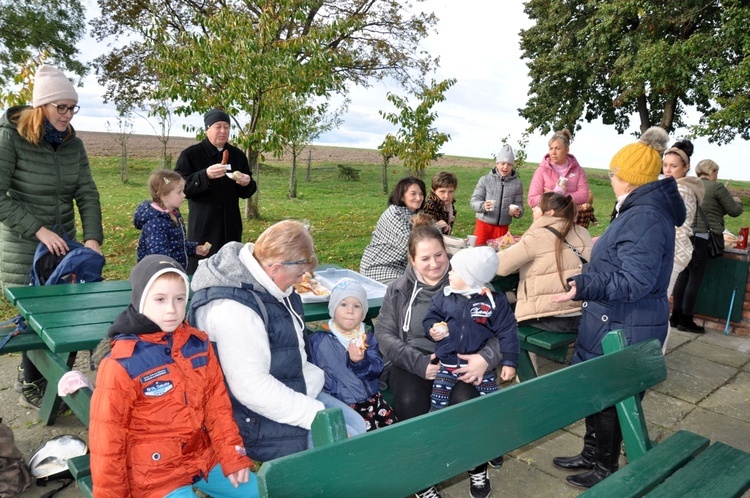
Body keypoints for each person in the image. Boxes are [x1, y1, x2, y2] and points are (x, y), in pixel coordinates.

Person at [550, 127, 685, 490]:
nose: (609, 178)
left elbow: (635, 281)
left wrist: (586, 283)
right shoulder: (640, 209)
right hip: (613, 318)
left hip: (626, 322)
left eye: (613, 172)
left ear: (627, 178)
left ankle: (604, 467)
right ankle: (591, 454)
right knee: (597, 391)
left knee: (610, 397)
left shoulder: (645, 216)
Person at [187, 220, 365, 462]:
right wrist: (314, 413)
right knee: (348, 450)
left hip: (293, 388)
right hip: (251, 416)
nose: (300, 281)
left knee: (358, 428)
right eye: (298, 275)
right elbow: (252, 389)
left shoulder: (268, 283)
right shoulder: (233, 310)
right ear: (276, 268)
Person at [89, 256, 258, 498]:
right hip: (153, 475)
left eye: (179, 299)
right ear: (139, 301)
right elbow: (106, 440)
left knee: (257, 492)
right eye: (159, 299)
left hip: (203, 458)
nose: (171, 309)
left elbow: (217, 408)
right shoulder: (121, 363)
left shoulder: (197, 344)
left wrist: (232, 454)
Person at [375, 214, 505, 498]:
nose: (434, 264)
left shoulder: (473, 284)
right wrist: (421, 364)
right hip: (413, 361)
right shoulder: (398, 290)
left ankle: (476, 464)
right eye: (425, 258)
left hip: (464, 359)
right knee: (409, 401)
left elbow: (503, 332)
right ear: (411, 260)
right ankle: (423, 477)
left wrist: (485, 358)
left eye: (439, 255)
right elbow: (385, 336)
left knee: (465, 400)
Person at [0, 65, 103, 409]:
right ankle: (31, 381)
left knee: (69, 312)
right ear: (41, 106)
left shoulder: (73, 144)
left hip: (66, 245)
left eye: (72, 107)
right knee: (36, 316)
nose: (68, 115)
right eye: (61, 107)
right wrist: (39, 230)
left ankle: (60, 381)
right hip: (25, 245)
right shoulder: (10, 137)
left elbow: (86, 192)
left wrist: (92, 239)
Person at [423, 246, 518, 412]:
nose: (449, 273)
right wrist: (431, 329)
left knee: (491, 401)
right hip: (447, 364)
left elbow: (508, 332)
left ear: (469, 277)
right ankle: (437, 429)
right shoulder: (445, 296)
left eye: (454, 270)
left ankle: (495, 425)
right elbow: (431, 316)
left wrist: (509, 362)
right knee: (437, 401)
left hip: (479, 367)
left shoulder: (494, 302)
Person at [307, 278, 397, 431]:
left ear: (363, 312)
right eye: (343, 304)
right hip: (342, 405)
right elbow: (314, 373)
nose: (350, 311)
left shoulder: (366, 336)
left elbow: (377, 368)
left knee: (390, 435)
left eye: (357, 306)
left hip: (373, 401)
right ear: (333, 309)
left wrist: (360, 362)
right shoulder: (318, 339)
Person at [497, 192, 593, 333]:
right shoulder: (583, 232)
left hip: (550, 316)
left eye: (537, 206)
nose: (533, 209)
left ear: (549, 212)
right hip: (583, 313)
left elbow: (500, 266)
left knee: (498, 309)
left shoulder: (537, 236)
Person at [174, 108, 256, 273]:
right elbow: (180, 188)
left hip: (231, 226)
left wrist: (247, 183)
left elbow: (247, 192)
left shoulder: (238, 155)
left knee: (231, 269)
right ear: (207, 129)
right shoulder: (191, 155)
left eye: (226, 127)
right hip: (204, 227)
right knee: (202, 270)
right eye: (218, 126)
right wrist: (204, 175)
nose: (223, 131)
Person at [671, 159, 744, 333]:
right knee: (695, 281)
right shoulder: (717, 187)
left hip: (685, 236)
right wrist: (735, 198)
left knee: (682, 277)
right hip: (702, 239)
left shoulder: (688, 185)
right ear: (711, 172)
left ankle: (675, 316)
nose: (716, 175)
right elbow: (734, 211)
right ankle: (687, 320)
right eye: (716, 172)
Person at [134, 169, 209, 271]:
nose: (184, 195)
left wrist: (193, 249)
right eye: (179, 192)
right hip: (159, 277)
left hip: (173, 273)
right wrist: (171, 274)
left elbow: (176, 245)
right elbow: (159, 257)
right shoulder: (156, 223)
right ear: (164, 195)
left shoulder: (173, 213)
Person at [360, 176, 426, 283]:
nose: (418, 198)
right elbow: (412, 245)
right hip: (380, 268)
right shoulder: (394, 214)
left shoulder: (416, 213)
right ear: (401, 196)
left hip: (401, 268)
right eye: (413, 194)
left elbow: (431, 235)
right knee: (415, 291)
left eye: (421, 194)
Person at [662, 140, 704, 302]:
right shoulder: (674, 187)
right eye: (665, 165)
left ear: (686, 167)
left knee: (657, 307)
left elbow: (673, 225)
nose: (667, 170)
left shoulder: (680, 190)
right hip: (672, 251)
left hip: (672, 252)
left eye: (673, 166)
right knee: (656, 306)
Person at [470, 144, 524, 246]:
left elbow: (519, 203)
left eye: (509, 164)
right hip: (483, 225)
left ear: (513, 166)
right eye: (502, 163)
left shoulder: (517, 183)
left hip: (502, 227)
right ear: (497, 163)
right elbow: (474, 201)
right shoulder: (485, 180)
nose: (505, 167)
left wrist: (518, 211)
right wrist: (483, 206)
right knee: (478, 251)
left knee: (499, 256)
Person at [527, 129, 589, 208]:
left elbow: (583, 196)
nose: (553, 152)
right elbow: (532, 200)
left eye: (558, 148)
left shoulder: (578, 171)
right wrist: (554, 195)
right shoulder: (541, 171)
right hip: (546, 218)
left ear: (567, 150)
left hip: (569, 219)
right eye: (551, 148)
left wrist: (561, 196)